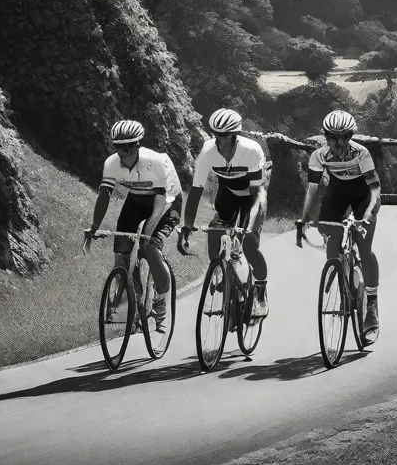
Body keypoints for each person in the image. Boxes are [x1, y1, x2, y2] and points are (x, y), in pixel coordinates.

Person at [84, 119, 183, 334]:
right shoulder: (112, 163)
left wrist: (147, 236)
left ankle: (161, 302)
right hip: (137, 200)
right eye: (117, 146)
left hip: (166, 203)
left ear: (137, 144)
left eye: (127, 147)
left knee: (149, 248)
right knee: (121, 251)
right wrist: (94, 225)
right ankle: (128, 299)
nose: (121, 152)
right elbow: (105, 194)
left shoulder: (154, 161)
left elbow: (159, 204)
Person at [295, 109, 382, 344]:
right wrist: (304, 219)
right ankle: (343, 282)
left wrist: (366, 216)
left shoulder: (361, 153)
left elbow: (374, 190)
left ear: (351, 136)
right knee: (330, 235)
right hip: (338, 193)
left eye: (345, 137)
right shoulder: (319, 156)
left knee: (364, 248)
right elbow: (312, 190)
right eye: (334, 138)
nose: (340, 143)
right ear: (326, 137)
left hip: (364, 197)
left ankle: (372, 305)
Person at [180, 108, 271, 318]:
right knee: (214, 236)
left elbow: (256, 193)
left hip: (252, 195)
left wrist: (250, 228)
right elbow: (196, 191)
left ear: (234, 135)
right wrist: (187, 225)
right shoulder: (208, 151)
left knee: (249, 245)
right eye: (216, 134)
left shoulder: (251, 150)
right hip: (228, 192)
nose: (218, 139)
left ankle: (260, 291)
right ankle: (223, 274)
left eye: (223, 135)